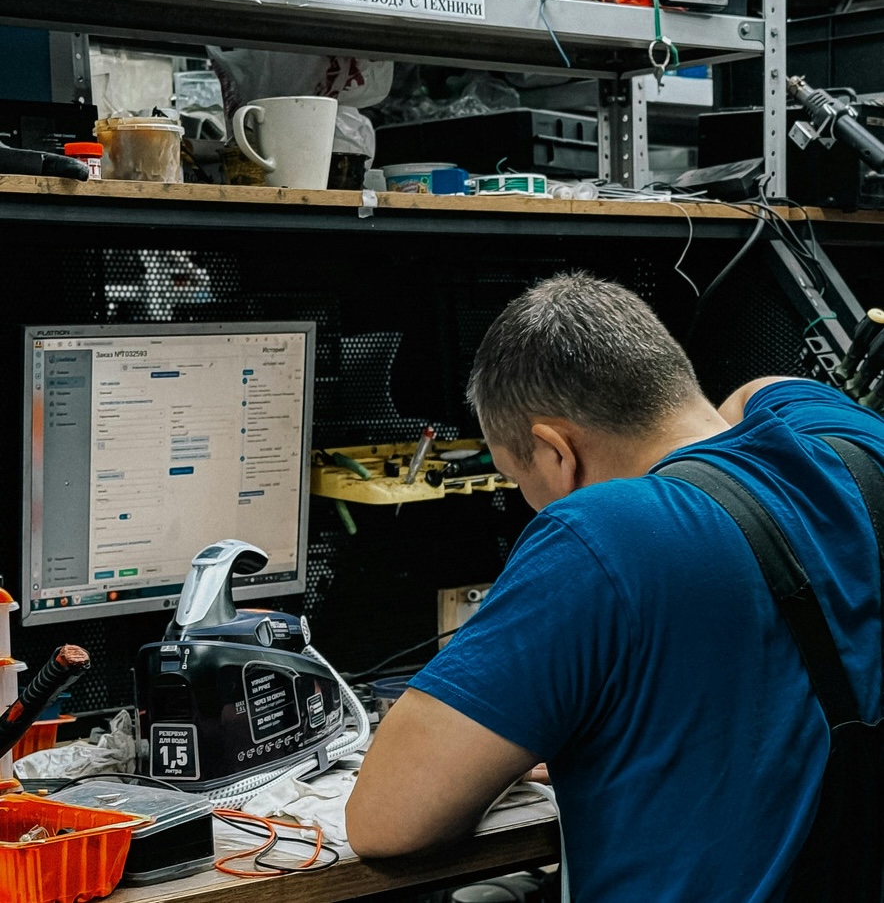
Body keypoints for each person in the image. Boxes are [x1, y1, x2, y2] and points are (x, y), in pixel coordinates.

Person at [345, 270, 884, 901]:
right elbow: (767, 390)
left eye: (519, 478)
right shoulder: (858, 448)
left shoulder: (601, 534)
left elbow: (386, 822)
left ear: (554, 452)